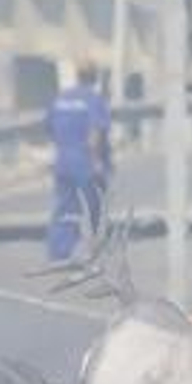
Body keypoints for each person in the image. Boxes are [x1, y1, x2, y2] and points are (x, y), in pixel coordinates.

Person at [44, 62, 112, 261]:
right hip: (85, 162)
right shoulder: (93, 99)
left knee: (64, 207)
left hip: (63, 161)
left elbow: (49, 127)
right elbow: (95, 132)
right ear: (95, 77)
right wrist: (97, 160)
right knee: (93, 207)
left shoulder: (60, 98)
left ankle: (59, 252)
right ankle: (93, 251)